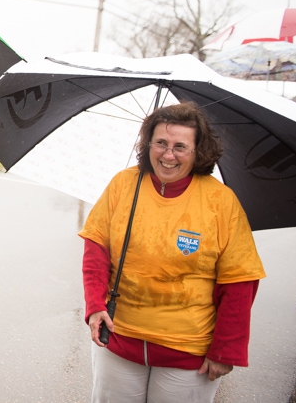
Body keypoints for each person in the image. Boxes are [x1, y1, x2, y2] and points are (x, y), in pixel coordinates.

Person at [80, 102, 266, 402]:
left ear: (198, 151)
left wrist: (226, 349)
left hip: (187, 352)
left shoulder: (221, 201)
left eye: (180, 146)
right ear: (148, 144)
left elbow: (240, 280)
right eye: (161, 143)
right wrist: (94, 305)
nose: (168, 155)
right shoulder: (123, 184)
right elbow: (96, 248)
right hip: (119, 339)